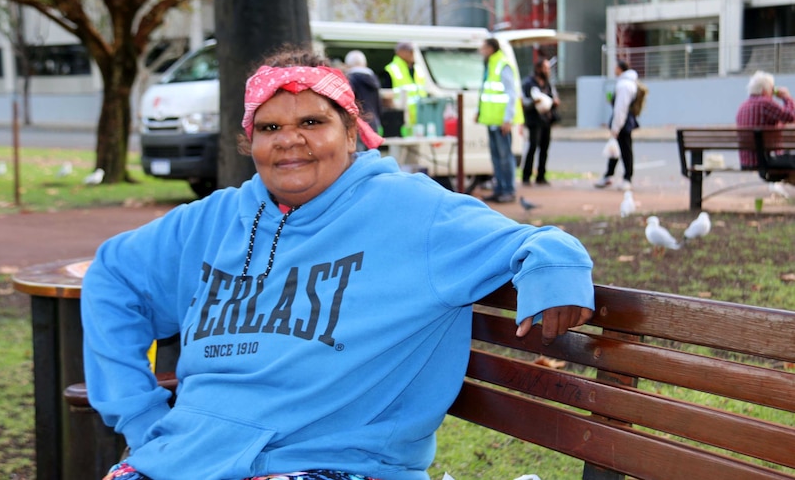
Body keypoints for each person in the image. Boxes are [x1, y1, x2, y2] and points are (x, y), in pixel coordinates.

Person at [82, 47, 595, 480]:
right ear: (250, 141)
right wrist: (139, 414)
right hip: (185, 455)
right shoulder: (214, 218)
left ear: (352, 132)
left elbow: (538, 243)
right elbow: (113, 276)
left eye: (312, 121)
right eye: (269, 126)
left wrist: (554, 273)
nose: (289, 138)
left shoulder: (415, 211)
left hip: (338, 463)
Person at [477, 37, 524, 203]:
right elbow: (485, 91)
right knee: (496, 157)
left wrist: (507, 119)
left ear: (491, 48)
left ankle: (508, 190)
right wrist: (479, 111)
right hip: (491, 119)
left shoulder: (502, 64)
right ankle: (499, 188)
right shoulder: (490, 64)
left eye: (483, 47)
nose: (481, 51)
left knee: (505, 157)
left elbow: (511, 94)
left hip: (501, 121)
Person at [735, 70, 795, 179]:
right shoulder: (765, 103)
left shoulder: (743, 106)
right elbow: (791, 116)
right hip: (766, 160)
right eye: (772, 89)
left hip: (747, 160)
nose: (773, 93)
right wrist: (787, 97)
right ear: (764, 90)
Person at [594, 59, 638, 191]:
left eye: (615, 67)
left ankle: (626, 178)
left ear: (620, 68)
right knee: (617, 150)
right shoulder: (628, 82)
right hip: (624, 121)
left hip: (622, 122)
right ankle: (609, 175)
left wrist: (616, 127)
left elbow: (621, 108)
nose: (614, 69)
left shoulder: (624, 85)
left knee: (625, 150)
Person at [521, 58, 560, 186]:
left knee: (544, 148)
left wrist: (554, 102)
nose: (547, 71)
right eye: (545, 68)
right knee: (533, 147)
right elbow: (524, 102)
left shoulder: (548, 83)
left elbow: (554, 97)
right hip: (534, 120)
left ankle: (541, 175)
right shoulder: (528, 83)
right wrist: (534, 102)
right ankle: (526, 176)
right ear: (538, 69)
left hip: (546, 120)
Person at [344, 50, 383, 151]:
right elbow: (379, 104)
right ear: (365, 64)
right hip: (373, 122)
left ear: (347, 65)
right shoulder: (374, 80)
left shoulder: (350, 80)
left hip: (358, 123)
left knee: (358, 157)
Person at [383, 41, 427, 126]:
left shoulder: (418, 69)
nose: (412, 53)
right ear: (400, 52)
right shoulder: (391, 70)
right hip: (401, 120)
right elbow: (387, 98)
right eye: (409, 51)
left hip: (420, 120)